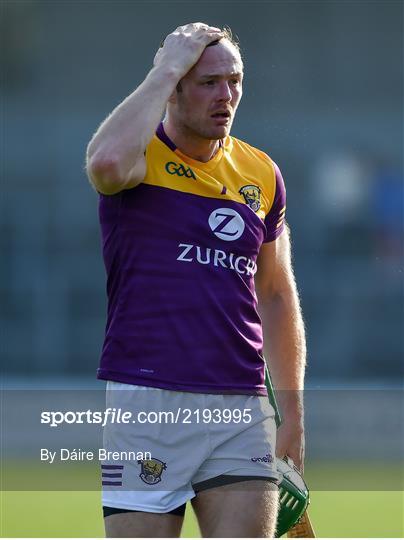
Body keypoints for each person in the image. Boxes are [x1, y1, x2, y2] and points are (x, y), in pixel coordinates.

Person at [86, 22, 306, 538]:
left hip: (240, 406)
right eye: (208, 82)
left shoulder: (260, 172)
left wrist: (292, 410)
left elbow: (275, 292)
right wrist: (164, 67)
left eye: (234, 80)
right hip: (146, 402)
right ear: (175, 88)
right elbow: (105, 165)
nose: (225, 96)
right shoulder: (140, 155)